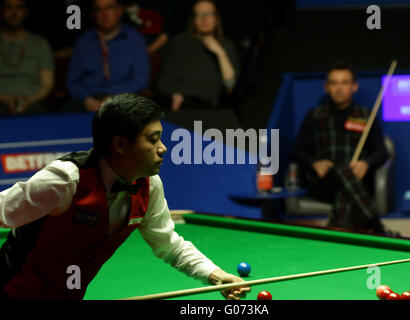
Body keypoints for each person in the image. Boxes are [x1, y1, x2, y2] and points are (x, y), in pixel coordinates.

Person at [0, 93, 251, 300]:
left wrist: (216, 276)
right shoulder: (65, 180)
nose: (163, 148)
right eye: (153, 140)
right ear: (120, 145)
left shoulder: (149, 185)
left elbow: (170, 245)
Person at [292, 62, 396, 235]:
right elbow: (297, 152)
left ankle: (334, 241)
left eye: (344, 82)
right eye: (334, 83)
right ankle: (375, 225)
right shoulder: (314, 116)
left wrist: (366, 163)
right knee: (340, 169)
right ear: (327, 87)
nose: (339, 88)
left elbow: (382, 152)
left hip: (354, 184)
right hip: (323, 183)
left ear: (354, 86)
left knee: (344, 193)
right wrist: (315, 163)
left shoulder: (366, 116)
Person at [65, 0, 150, 113]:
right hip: (88, 100)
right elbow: (72, 82)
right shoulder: (84, 41)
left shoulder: (135, 39)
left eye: (109, 8)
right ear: (94, 14)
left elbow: (141, 79)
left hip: (123, 99)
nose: (104, 14)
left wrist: (114, 97)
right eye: (99, 9)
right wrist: (86, 99)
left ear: (119, 11)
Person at [155, 0, 240, 111]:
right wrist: (176, 94)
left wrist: (220, 53)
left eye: (209, 13)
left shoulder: (226, 46)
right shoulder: (180, 41)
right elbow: (163, 81)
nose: (204, 18)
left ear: (216, 18)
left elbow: (230, 84)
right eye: (199, 14)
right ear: (193, 19)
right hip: (174, 102)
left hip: (207, 108)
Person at [0, 0, 54, 116]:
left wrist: (28, 101)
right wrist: (7, 100)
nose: (14, 12)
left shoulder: (40, 43)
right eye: (9, 7)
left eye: (19, 7)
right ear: (2, 12)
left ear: (26, 12)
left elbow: (47, 83)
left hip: (33, 104)